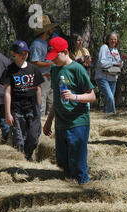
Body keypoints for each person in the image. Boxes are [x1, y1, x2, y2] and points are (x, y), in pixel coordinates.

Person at [42, 37, 96, 185]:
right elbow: (57, 100)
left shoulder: (77, 69)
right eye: (51, 58)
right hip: (60, 124)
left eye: (55, 57)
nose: (53, 61)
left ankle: (84, 190)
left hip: (77, 123)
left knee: (78, 164)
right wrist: (48, 121)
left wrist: (75, 97)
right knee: (63, 163)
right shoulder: (54, 70)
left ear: (65, 52)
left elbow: (92, 96)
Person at [0, 40, 44, 161]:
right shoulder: (9, 70)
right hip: (17, 108)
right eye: (20, 53)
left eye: (26, 53)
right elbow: (7, 92)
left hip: (32, 107)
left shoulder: (33, 69)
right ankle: (23, 160)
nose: (24, 55)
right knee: (20, 137)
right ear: (13, 53)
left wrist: (39, 106)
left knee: (34, 136)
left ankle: (28, 154)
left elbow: (38, 89)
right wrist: (8, 113)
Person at [29, 15, 58, 115]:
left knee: (50, 103)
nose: (53, 30)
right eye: (51, 28)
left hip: (49, 78)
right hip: (42, 78)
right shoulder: (36, 44)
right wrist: (52, 63)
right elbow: (34, 62)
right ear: (47, 30)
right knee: (41, 103)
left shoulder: (46, 43)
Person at [95, 32, 127, 115]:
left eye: (115, 39)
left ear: (117, 40)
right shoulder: (104, 47)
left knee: (109, 99)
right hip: (102, 77)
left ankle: (106, 116)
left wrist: (121, 60)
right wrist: (114, 63)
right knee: (110, 97)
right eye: (111, 39)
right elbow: (101, 63)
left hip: (112, 77)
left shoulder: (115, 50)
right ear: (108, 40)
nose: (113, 41)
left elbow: (119, 65)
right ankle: (113, 115)